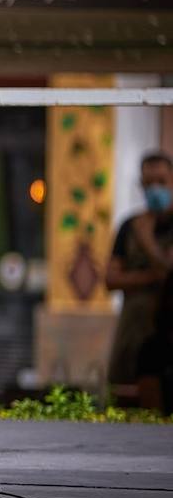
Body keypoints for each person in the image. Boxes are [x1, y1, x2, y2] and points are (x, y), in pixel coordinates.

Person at [105, 152, 173, 391]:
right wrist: (153, 277)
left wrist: (148, 244)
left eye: (161, 182)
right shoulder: (129, 226)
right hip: (133, 332)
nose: (155, 189)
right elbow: (111, 279)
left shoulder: (143, 232)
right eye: (148, 183)